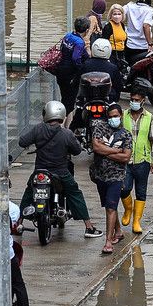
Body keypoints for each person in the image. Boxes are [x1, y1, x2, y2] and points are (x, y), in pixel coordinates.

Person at [16, 100, 103, 238]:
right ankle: (89, 227)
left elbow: (22, 142)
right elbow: (77, 151)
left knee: (29, 192)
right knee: (75, 193)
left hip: (40, 172)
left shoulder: (38, 129)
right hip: (61, 173)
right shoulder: (66, 134)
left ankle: (19, 222)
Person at [91, 102, 132, 254]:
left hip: (117, 176)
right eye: (110, 117)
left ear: (121, 116)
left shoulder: (126, 134)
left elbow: (126, 157)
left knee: (111, 207)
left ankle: (108, 241)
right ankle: (118, 231)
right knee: (108, 206)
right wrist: (115, 151)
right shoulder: (100, 128)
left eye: (115, 116)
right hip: (100, 175)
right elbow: (96, 147)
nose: (113, 119)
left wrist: (105, 151)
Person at [120, 79, 153, 235]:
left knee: (141, 192)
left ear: (143, 101)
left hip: (143, 160)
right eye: (132, 100)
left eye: (137, 100)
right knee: (124, 188)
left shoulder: (150, 118)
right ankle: (128, 209)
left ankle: (136, 221)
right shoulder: (123, 115)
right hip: (125, 160)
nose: (134, 102)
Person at [53, 18, 90, 116]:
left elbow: (62, 49)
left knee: (64, 97)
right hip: (70, 74)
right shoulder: (79, 42)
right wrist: (81, 68)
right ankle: (65, 120)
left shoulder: (68, 36)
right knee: (70, 100)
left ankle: (62, 116)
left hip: (60, 70)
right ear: (86, 30)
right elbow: (75, 58)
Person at [123, 0, 153, 67]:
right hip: (143, 46)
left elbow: (118, 11)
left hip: (129, 44)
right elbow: (146, 26)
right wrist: (150, 44)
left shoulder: (129, 6)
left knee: (129, 66)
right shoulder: (150, 10)